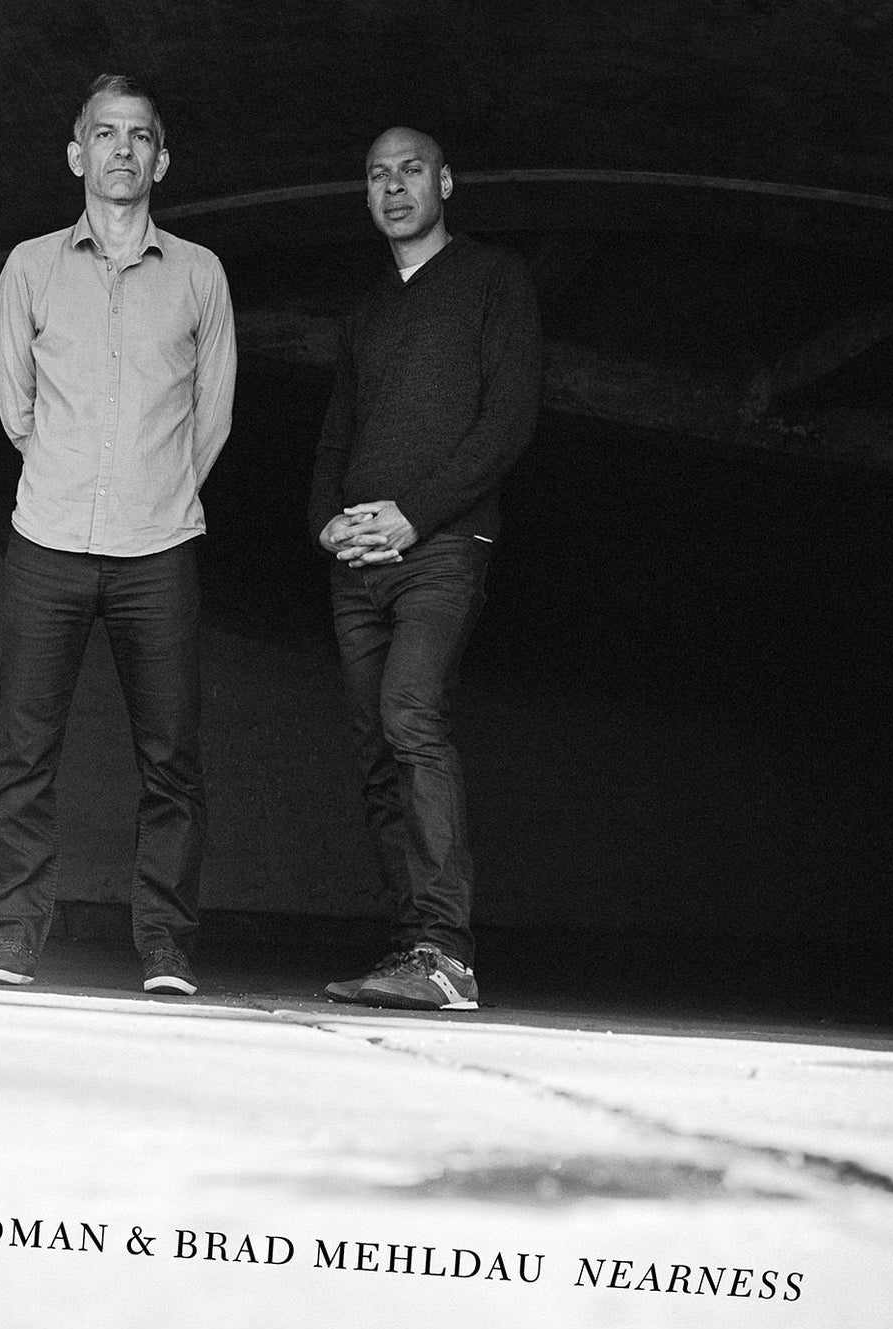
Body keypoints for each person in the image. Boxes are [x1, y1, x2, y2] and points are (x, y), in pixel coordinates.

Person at [0, 74, 236, 996]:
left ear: (160, 161)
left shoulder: (200, 274)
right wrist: (71, 471)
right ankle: (13, 938)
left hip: (157, 547)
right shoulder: (29, 267)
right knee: (22, 753)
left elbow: (212, 415)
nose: (122, 149)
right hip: (46, 538)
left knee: (171, 761)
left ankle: (164, 947)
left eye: (139, 136)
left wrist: (153, 488)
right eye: (105, 133)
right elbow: (15, 405)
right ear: (76, 153)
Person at [308, 126, 541, 1010]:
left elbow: (507, 421)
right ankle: (414, 949)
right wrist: (326, 524)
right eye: (377, 176)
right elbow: (337, 433)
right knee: (376, 750)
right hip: (358, 560)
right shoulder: (366, 312)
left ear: (445, 182)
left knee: (410, 713)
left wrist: (412, 515)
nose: (394, 187)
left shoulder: (493, 279)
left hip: (442, 548)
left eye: (411, 170)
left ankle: (447, 952)